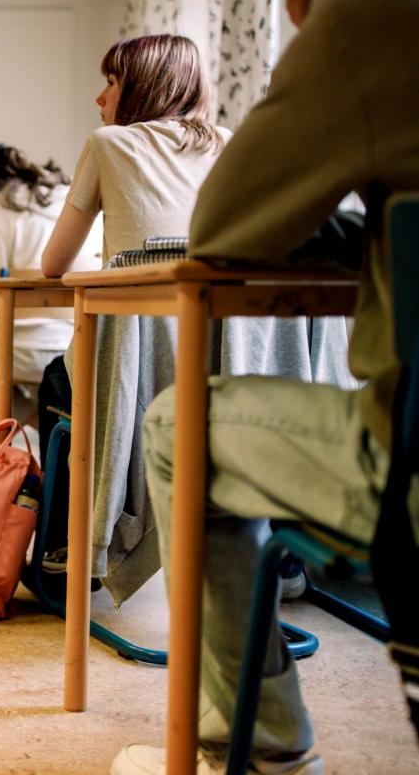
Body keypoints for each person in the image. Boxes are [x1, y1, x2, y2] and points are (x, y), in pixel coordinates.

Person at [112, 0, 419, 772]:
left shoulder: (370, 24)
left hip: (405, 471)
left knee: (174, 426)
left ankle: (261, 745)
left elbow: (222, 226)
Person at [37, 33, 356, 604]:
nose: (99, 96)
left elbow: (53, 264)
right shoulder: (231, 146)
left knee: (56, 382)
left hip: (144, 375)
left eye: (110, 81)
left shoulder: (108, 144)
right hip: (236, 372)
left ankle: (72, 554)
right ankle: (265, 539)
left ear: (143, 86)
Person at [0, 144, 101, 432]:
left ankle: (40, 425)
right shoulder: (72, 197)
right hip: (78, 345)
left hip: (18, 349)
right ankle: (59, 430)